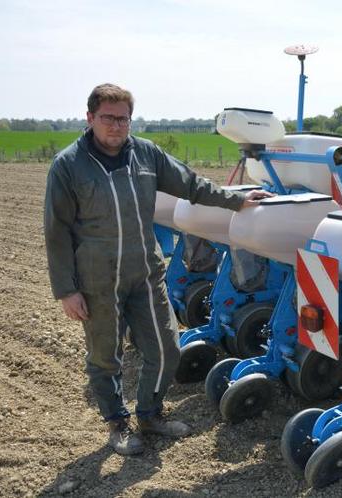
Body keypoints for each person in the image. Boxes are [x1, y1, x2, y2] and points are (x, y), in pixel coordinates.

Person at [43, 83, 274, 455]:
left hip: (146, 274)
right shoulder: (69, 166)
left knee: (167, 349)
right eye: (108, 118)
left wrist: (237, 201)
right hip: (97, 280)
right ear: (90, 118)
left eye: (124, 119)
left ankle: (149, 415)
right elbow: (56, 232)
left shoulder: (146, 155)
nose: (117, 126)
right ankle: (118, 424)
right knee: (105, 356)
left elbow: (191, 185)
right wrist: (66, 290)